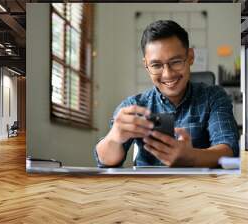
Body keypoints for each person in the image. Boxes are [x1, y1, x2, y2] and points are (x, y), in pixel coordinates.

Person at [94, 20, 239, 168]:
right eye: (156, 65)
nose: (168, 74)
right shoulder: (133, 106)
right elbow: (105, 162)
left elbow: (230, 152)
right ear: (146, 65)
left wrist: (192, 157)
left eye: (175, 62)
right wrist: (114, 138)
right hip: (148, 189)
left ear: (190, 57)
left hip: (200, 188)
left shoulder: (213, 97)